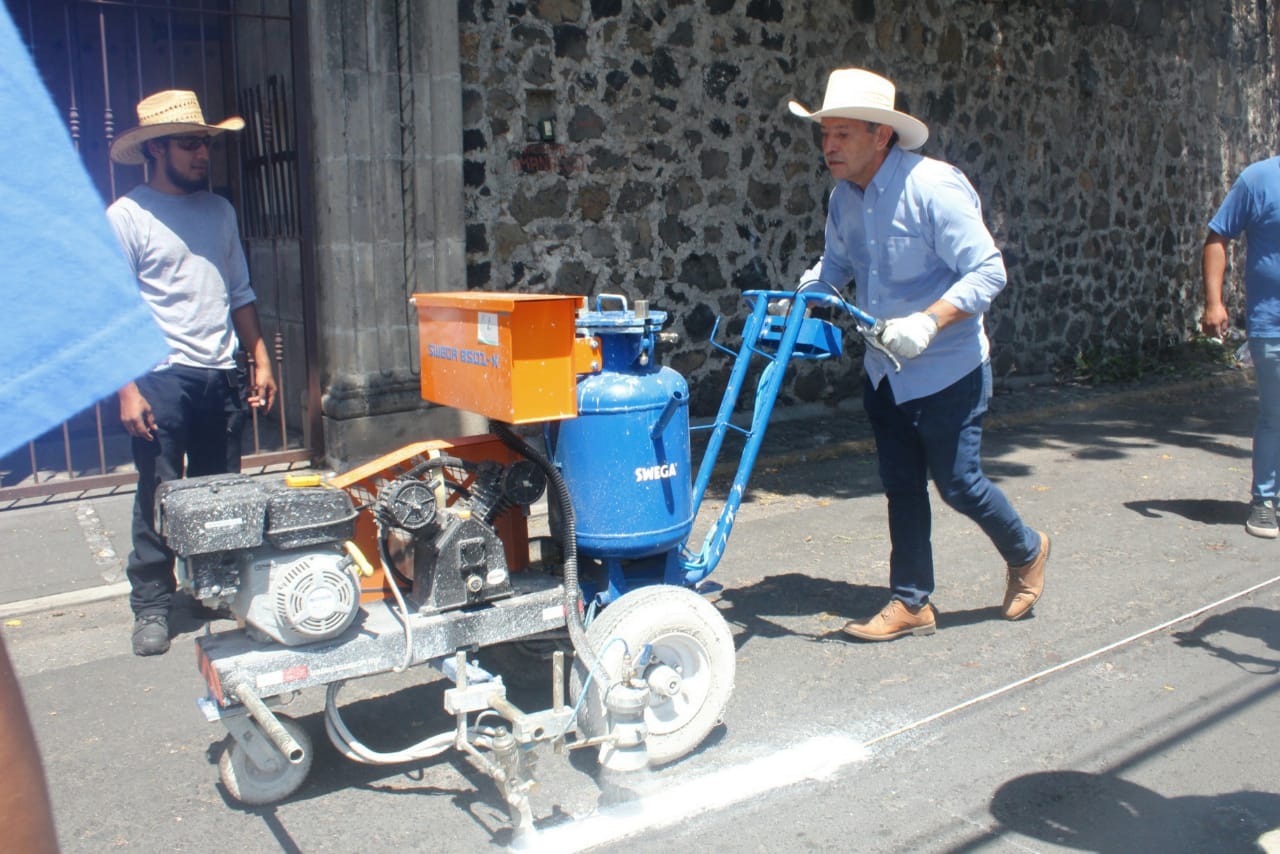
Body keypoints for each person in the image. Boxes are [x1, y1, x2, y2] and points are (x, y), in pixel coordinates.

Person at [788, 68, 1049, 641]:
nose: (829, 146)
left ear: (881, 135)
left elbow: (988, 271)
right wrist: (803, 298)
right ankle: (911, 601)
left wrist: (929, 322)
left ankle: (1027, 549)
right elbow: (834, 268)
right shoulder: (843, 200)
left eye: (843, 134)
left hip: (947, 367)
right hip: (885, 371)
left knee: (957, 483)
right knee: (901, 483)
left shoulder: (934, 187)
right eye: (825, 133)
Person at [107, 90, 277, 656]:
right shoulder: (127, 217)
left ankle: (214, 585)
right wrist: (128, 389)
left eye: (204, 143)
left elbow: (240, 292)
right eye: (189, 144)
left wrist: (260, 356)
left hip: (220, 371)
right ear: (155, 149)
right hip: (161, 375)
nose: (202, 154)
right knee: (159, 492)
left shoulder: (219, 211)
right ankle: (153, 603)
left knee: (217, 489)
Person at [1202, 155, 1280, 538]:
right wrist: (1214, 302)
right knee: (1275, 413)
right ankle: (1264, 502)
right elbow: (1218, 236)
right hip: (1273, 324)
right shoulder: (1259, 179)